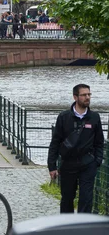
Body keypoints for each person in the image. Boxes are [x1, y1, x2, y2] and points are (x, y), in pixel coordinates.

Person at [47, 84, 104, 213]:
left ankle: (83, 228)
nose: (87, 97)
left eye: (89, 94)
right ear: (75, 97)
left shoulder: (94, 117)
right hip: (68, 164)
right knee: (67, 199)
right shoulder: (64, 117)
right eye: (84, 95)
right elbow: (55, 142)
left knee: (86, 198)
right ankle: (67, 227)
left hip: (88, 164)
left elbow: (99, 142)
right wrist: (52, 166)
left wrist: (97, 161)